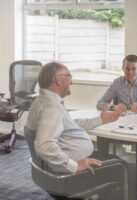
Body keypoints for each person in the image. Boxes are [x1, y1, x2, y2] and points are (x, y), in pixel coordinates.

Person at [25, 62, 123, 199]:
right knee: (129, 170)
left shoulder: (42, 101)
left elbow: (68, 125)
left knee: (116, 161)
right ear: (58, 79)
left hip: (51, 171)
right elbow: (44, 146)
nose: (72, 81)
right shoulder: (52, 107)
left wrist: (100, 120)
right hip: (68, 177)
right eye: (69, 76)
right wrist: (75, 166)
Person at [96, 54, 137, 187]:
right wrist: (114, 107)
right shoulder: (117, 82)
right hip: (120, 126)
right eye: (127, 68)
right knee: (101, 134)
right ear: (122, 68)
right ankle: (103, 172)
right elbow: (100, 103)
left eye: (133, 69)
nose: (130, 72)